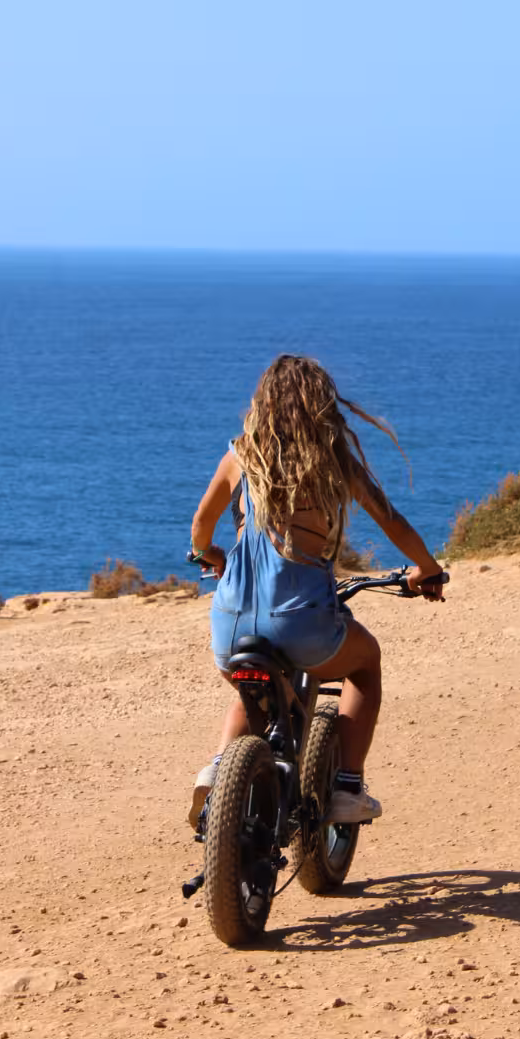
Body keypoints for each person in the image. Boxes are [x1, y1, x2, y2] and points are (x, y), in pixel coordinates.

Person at [188, 354, 446, 828]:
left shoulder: (241, 456)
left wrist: (211, 557)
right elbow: (393, 522)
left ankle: (220, 767)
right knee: (365, 661)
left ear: (263, 403)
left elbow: (200, 527)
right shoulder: (333, 463)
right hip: (300, 622)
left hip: (229, 624)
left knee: (258, 693)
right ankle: (347, 788)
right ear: (320, 406)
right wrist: (426, 569)